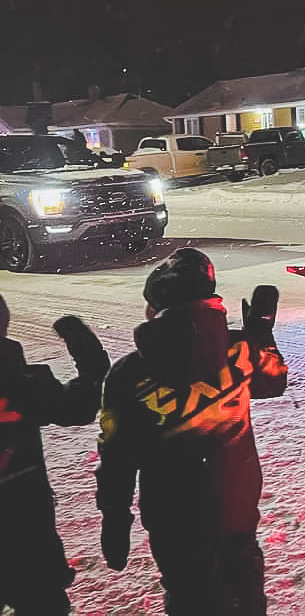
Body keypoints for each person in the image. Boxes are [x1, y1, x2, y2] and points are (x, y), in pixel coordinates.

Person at [96, 248, 288, 616]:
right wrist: (262, 336)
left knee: (191, 599)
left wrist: (115, 520)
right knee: (245, 597)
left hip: (174, 516)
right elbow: (274, 382)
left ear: (155, 309)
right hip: (236, 506)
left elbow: (116, 457)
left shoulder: (127, 374)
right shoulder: (241, 351)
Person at [0, 295, 109, 615]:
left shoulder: (26, 384)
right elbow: (80, 405)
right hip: (26, 534)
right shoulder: (23, 385)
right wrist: (90, 359)